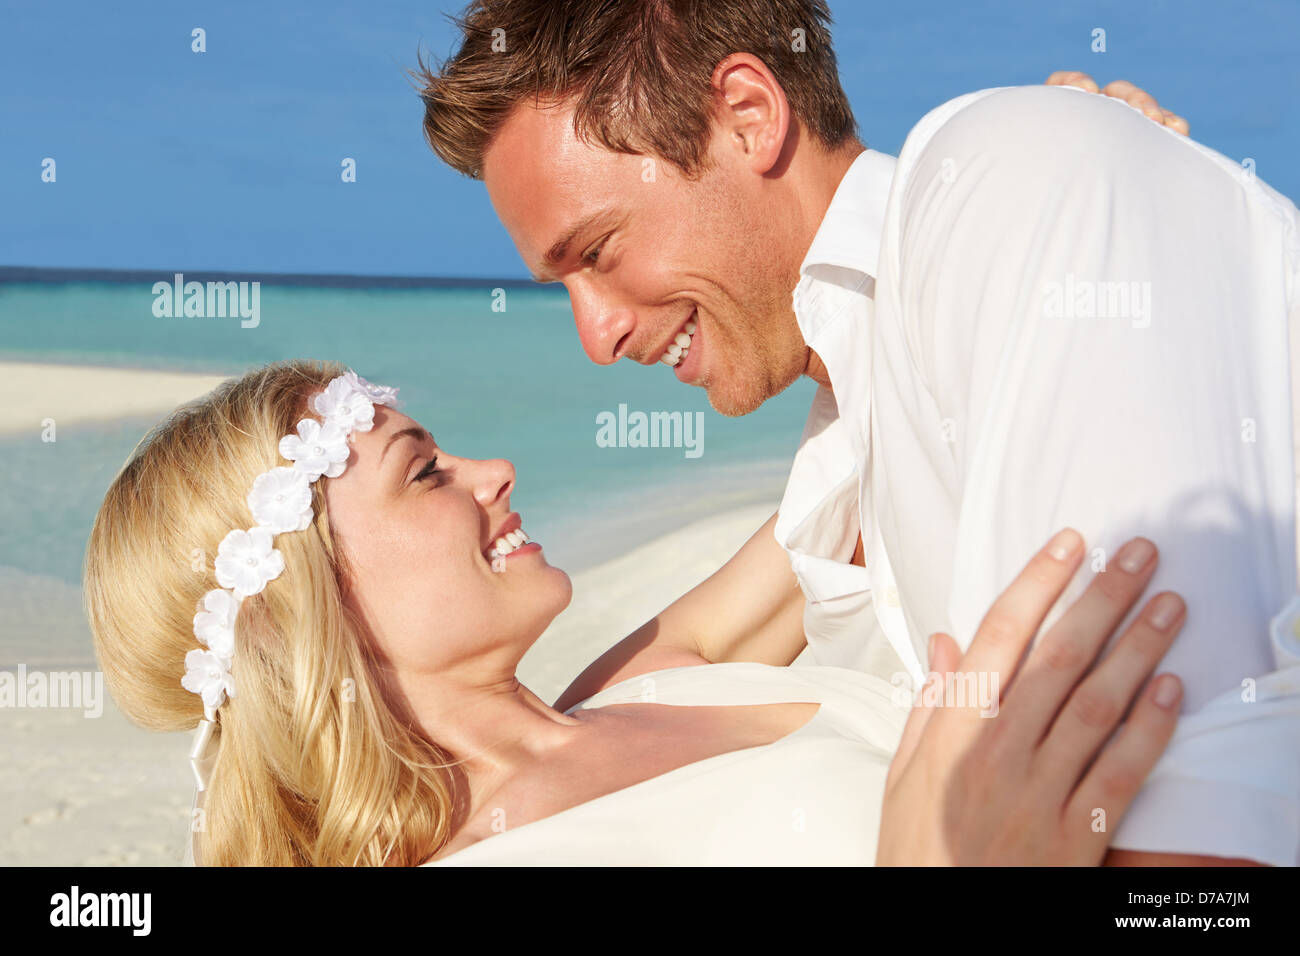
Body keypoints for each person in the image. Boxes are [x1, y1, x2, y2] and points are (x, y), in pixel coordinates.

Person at [417, 0, 1300, 865]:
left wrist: (1060, 174)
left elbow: (1208, 839)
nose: (596, 338)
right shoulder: (845, 442)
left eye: (599, 252)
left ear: (748, 116)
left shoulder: (1000, 182)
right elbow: (616, 717)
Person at [84, 361, 1185, 865]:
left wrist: (1048, 203)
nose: (496, 469)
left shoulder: (627, 686)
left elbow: (860, 451)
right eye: (424, 472)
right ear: (309, 605)